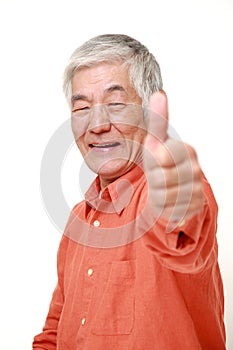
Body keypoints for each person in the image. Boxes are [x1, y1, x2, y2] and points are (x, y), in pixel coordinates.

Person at [33, 34, 226, 349]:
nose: (97, 124)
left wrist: (177, 198)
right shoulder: (78, 219)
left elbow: (182, 229)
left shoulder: (171, 190)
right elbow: (55, 333)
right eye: (82, 107)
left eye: (115, 104)